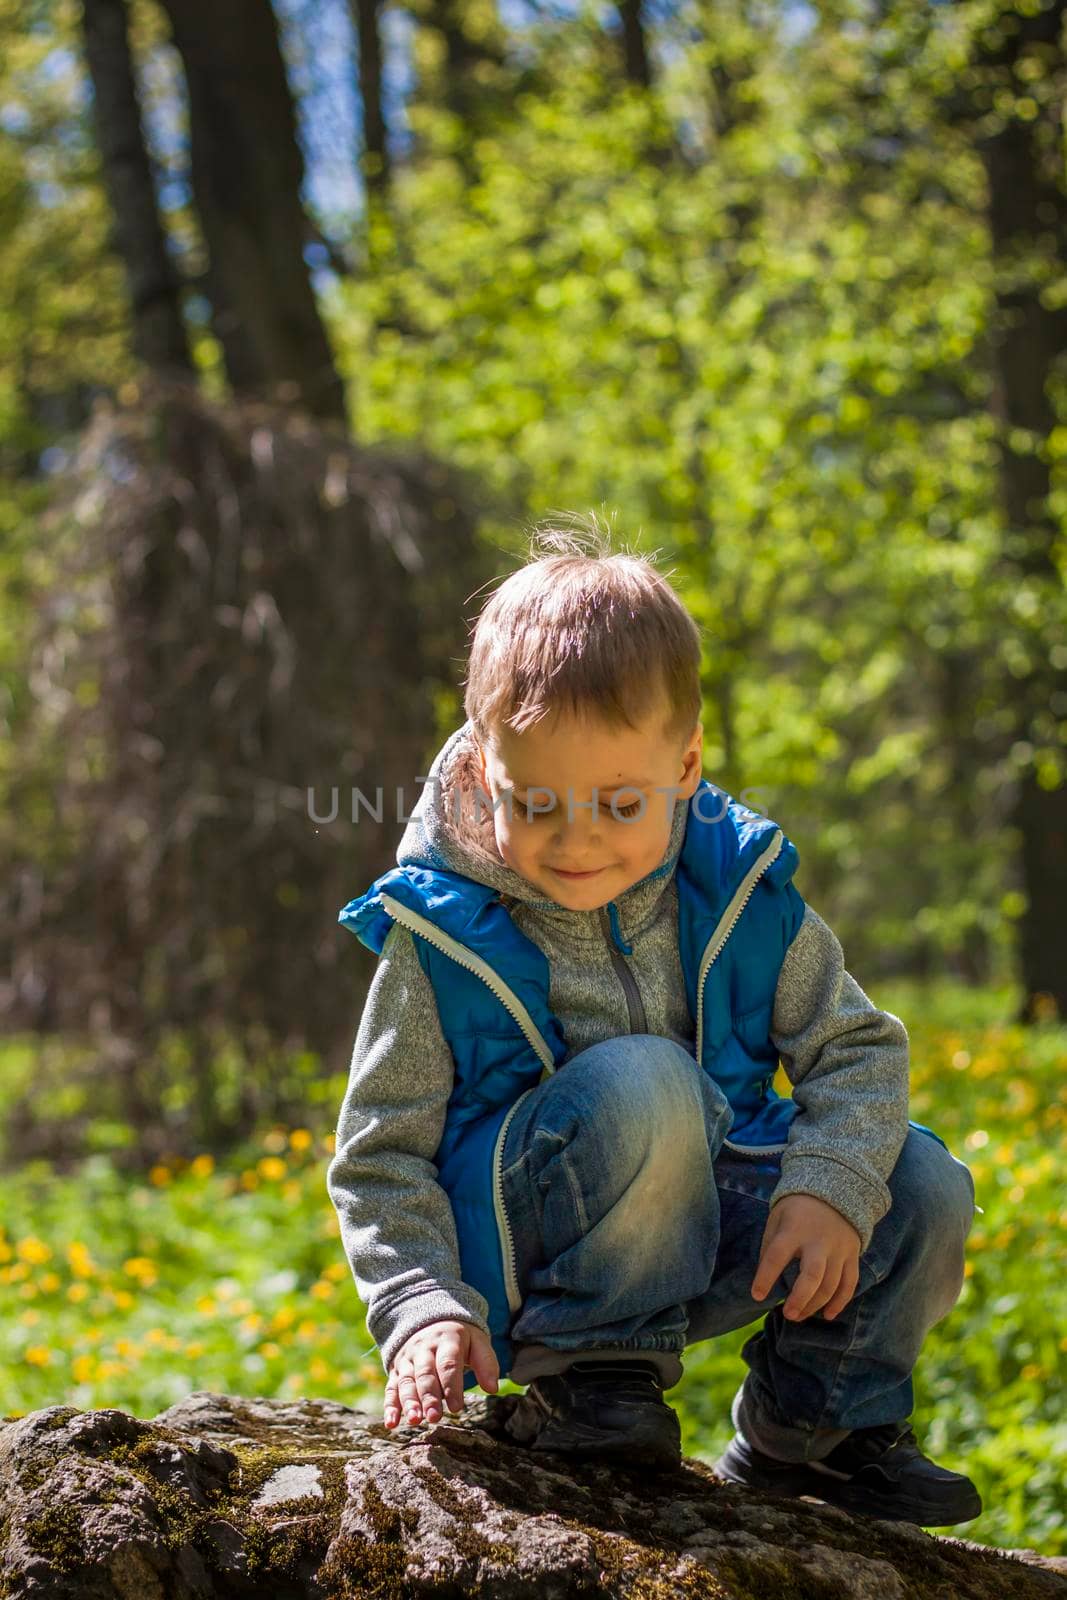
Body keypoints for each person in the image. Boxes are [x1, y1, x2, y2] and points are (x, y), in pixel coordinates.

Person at [326, 516, 981, 1526]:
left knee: (918, 1181)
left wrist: (828, 1186)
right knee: (648, 1080)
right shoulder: (440, 932)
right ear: (475, 772)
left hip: (700, 1216)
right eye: (533, 802)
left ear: (684, 765)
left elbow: (855, 1048)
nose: (576, 840)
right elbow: (380, 1154)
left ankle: (813, 1425)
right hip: (534, 1239)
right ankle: (588, 1383)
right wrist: (419, 1305)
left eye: (618, 803)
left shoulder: (738, 889)